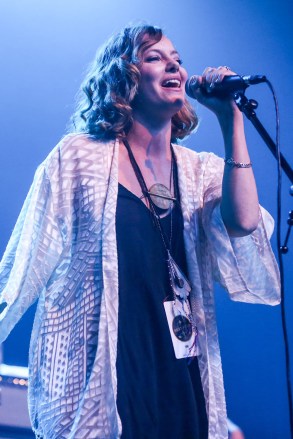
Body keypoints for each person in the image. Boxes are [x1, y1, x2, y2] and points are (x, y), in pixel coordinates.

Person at [0, 24, 280, 439]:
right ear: (125, 77)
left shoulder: (197, 169)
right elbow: (21, 267)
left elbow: (243, 222)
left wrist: (230, 121)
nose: (174, 65)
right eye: (155, 57)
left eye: (178, 60)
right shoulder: (78, 159)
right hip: (107, 380)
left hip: (181, 376)